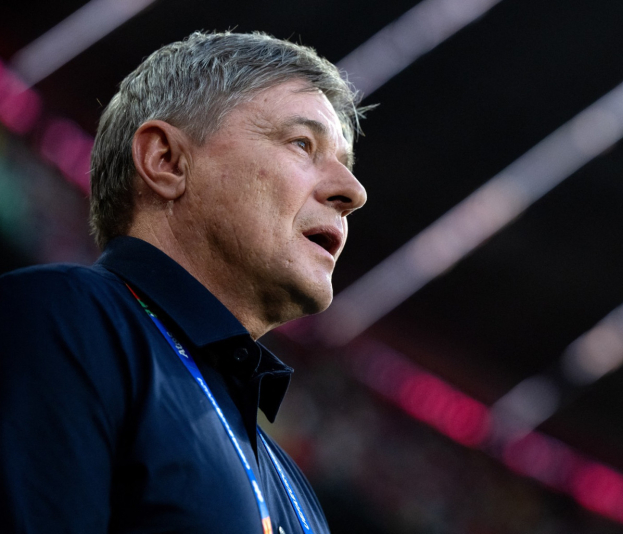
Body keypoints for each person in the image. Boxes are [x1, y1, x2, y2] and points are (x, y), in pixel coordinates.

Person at [0, 31, 367, 534]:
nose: (353, 192)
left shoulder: (294, 487)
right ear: (166, 161)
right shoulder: (63, 320)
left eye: (345, 165)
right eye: (303, 144)